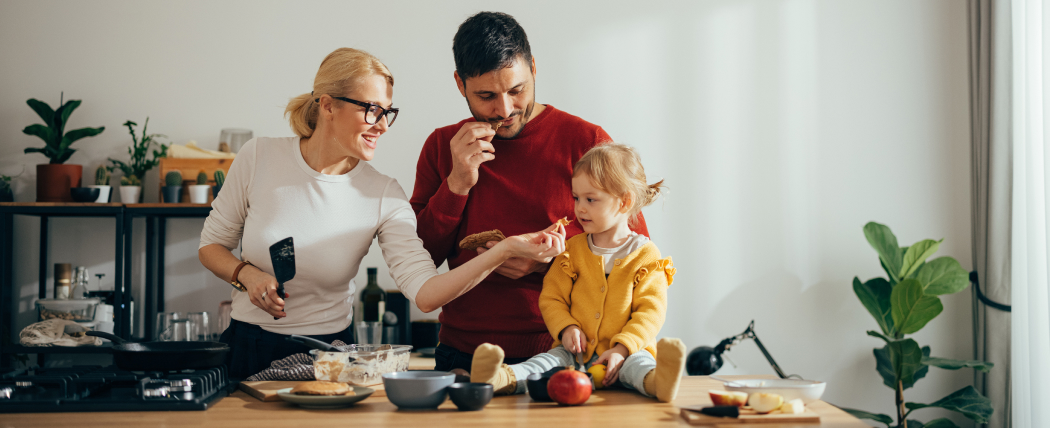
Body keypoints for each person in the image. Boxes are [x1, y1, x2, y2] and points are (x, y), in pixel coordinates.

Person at [198, 47, 565, 380]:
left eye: (388, 112)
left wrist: (504, 250)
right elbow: (211, 245)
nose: (383, 125)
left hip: (329, 359)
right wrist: (245, 274)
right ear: (327, 105)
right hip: (246, 347)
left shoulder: (383, 193)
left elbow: (425, 292)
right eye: (371, 110)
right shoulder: (258, 156)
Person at [411, 11, 649, 373]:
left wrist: (552, 260)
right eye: (486, 95)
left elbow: (636, 255)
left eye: (516, 90)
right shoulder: (443, 145)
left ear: (534, 67)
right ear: (460, 84)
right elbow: (419, 261)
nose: (505, 109)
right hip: (462, 354)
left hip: (563, 352)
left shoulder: (586, 141)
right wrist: (457, 182)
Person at [469, 143, 686, 402]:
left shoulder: (646, 255)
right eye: (576, 198)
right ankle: (501, 377)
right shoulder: (572, 251)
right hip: (574, 353)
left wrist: (622, 348)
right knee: (543, 364)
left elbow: (651, 311)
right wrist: (567, 328)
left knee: (639, 368)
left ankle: (658, 382)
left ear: (624, 201)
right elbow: (552, 298)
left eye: (590, 199)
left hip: (627, 353)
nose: (579, 208)